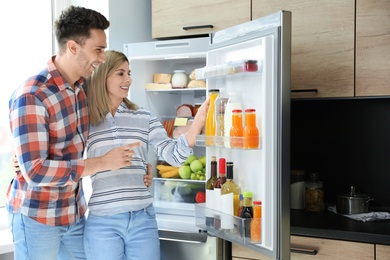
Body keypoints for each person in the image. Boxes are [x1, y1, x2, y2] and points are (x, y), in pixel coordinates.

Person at [7, 6, 142, 260]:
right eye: (98, 50)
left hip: (73, 213)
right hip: (37, 216)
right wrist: (102, 163)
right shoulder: (32, 95)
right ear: (73, 47)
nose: (102, 58)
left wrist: (139, 172)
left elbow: (112, 121)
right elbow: (35, 170)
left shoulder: (82, 88)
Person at [82, 50, 209, 260]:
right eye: (120, 74)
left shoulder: (143, 116)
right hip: (103, 222)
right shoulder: (86, 118)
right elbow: (70, 165)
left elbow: (173, 156)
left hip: (142, 219)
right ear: (103, 75)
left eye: (129, 73)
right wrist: (106, 162)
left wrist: (197, 125)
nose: (129, 80)